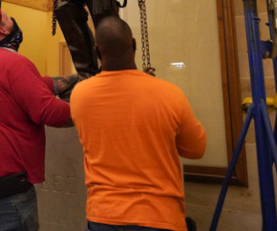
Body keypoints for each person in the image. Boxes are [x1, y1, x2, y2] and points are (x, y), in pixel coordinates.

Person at [70, 16, 207, 231]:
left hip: (104, 216)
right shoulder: (169, 94)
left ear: (97, 52)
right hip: (159, 216)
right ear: (133, 45)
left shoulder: (80, 95)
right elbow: (196, 149)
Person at [0, 7, 75, 231]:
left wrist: (75, 79)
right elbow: (50, 112)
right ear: (2, 29)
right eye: (8, 18)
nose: (13, 19)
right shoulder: (13, 62)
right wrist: (95, 105)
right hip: (1, 192)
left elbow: (35, 85)